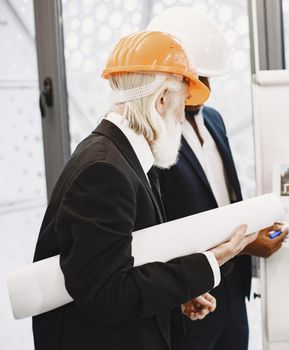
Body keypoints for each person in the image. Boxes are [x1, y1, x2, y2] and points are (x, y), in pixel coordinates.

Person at [31, 31, 257, 350]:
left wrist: (175, 297)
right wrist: (209, 261)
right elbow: (105, 293)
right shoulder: (104, 170)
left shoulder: (121, 156)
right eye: (182, 104)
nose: (181, 118)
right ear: (162, 99)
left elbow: (124, 268)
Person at [148, 8, 289, 350]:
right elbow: (159, 227)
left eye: (210, 79)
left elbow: (224, 198)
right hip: (192, 295)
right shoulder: (151, 136)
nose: (206, 88)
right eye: (198, 79)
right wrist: (241, 244)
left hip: (232, 288)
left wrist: (249, 235)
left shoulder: (214, 120)